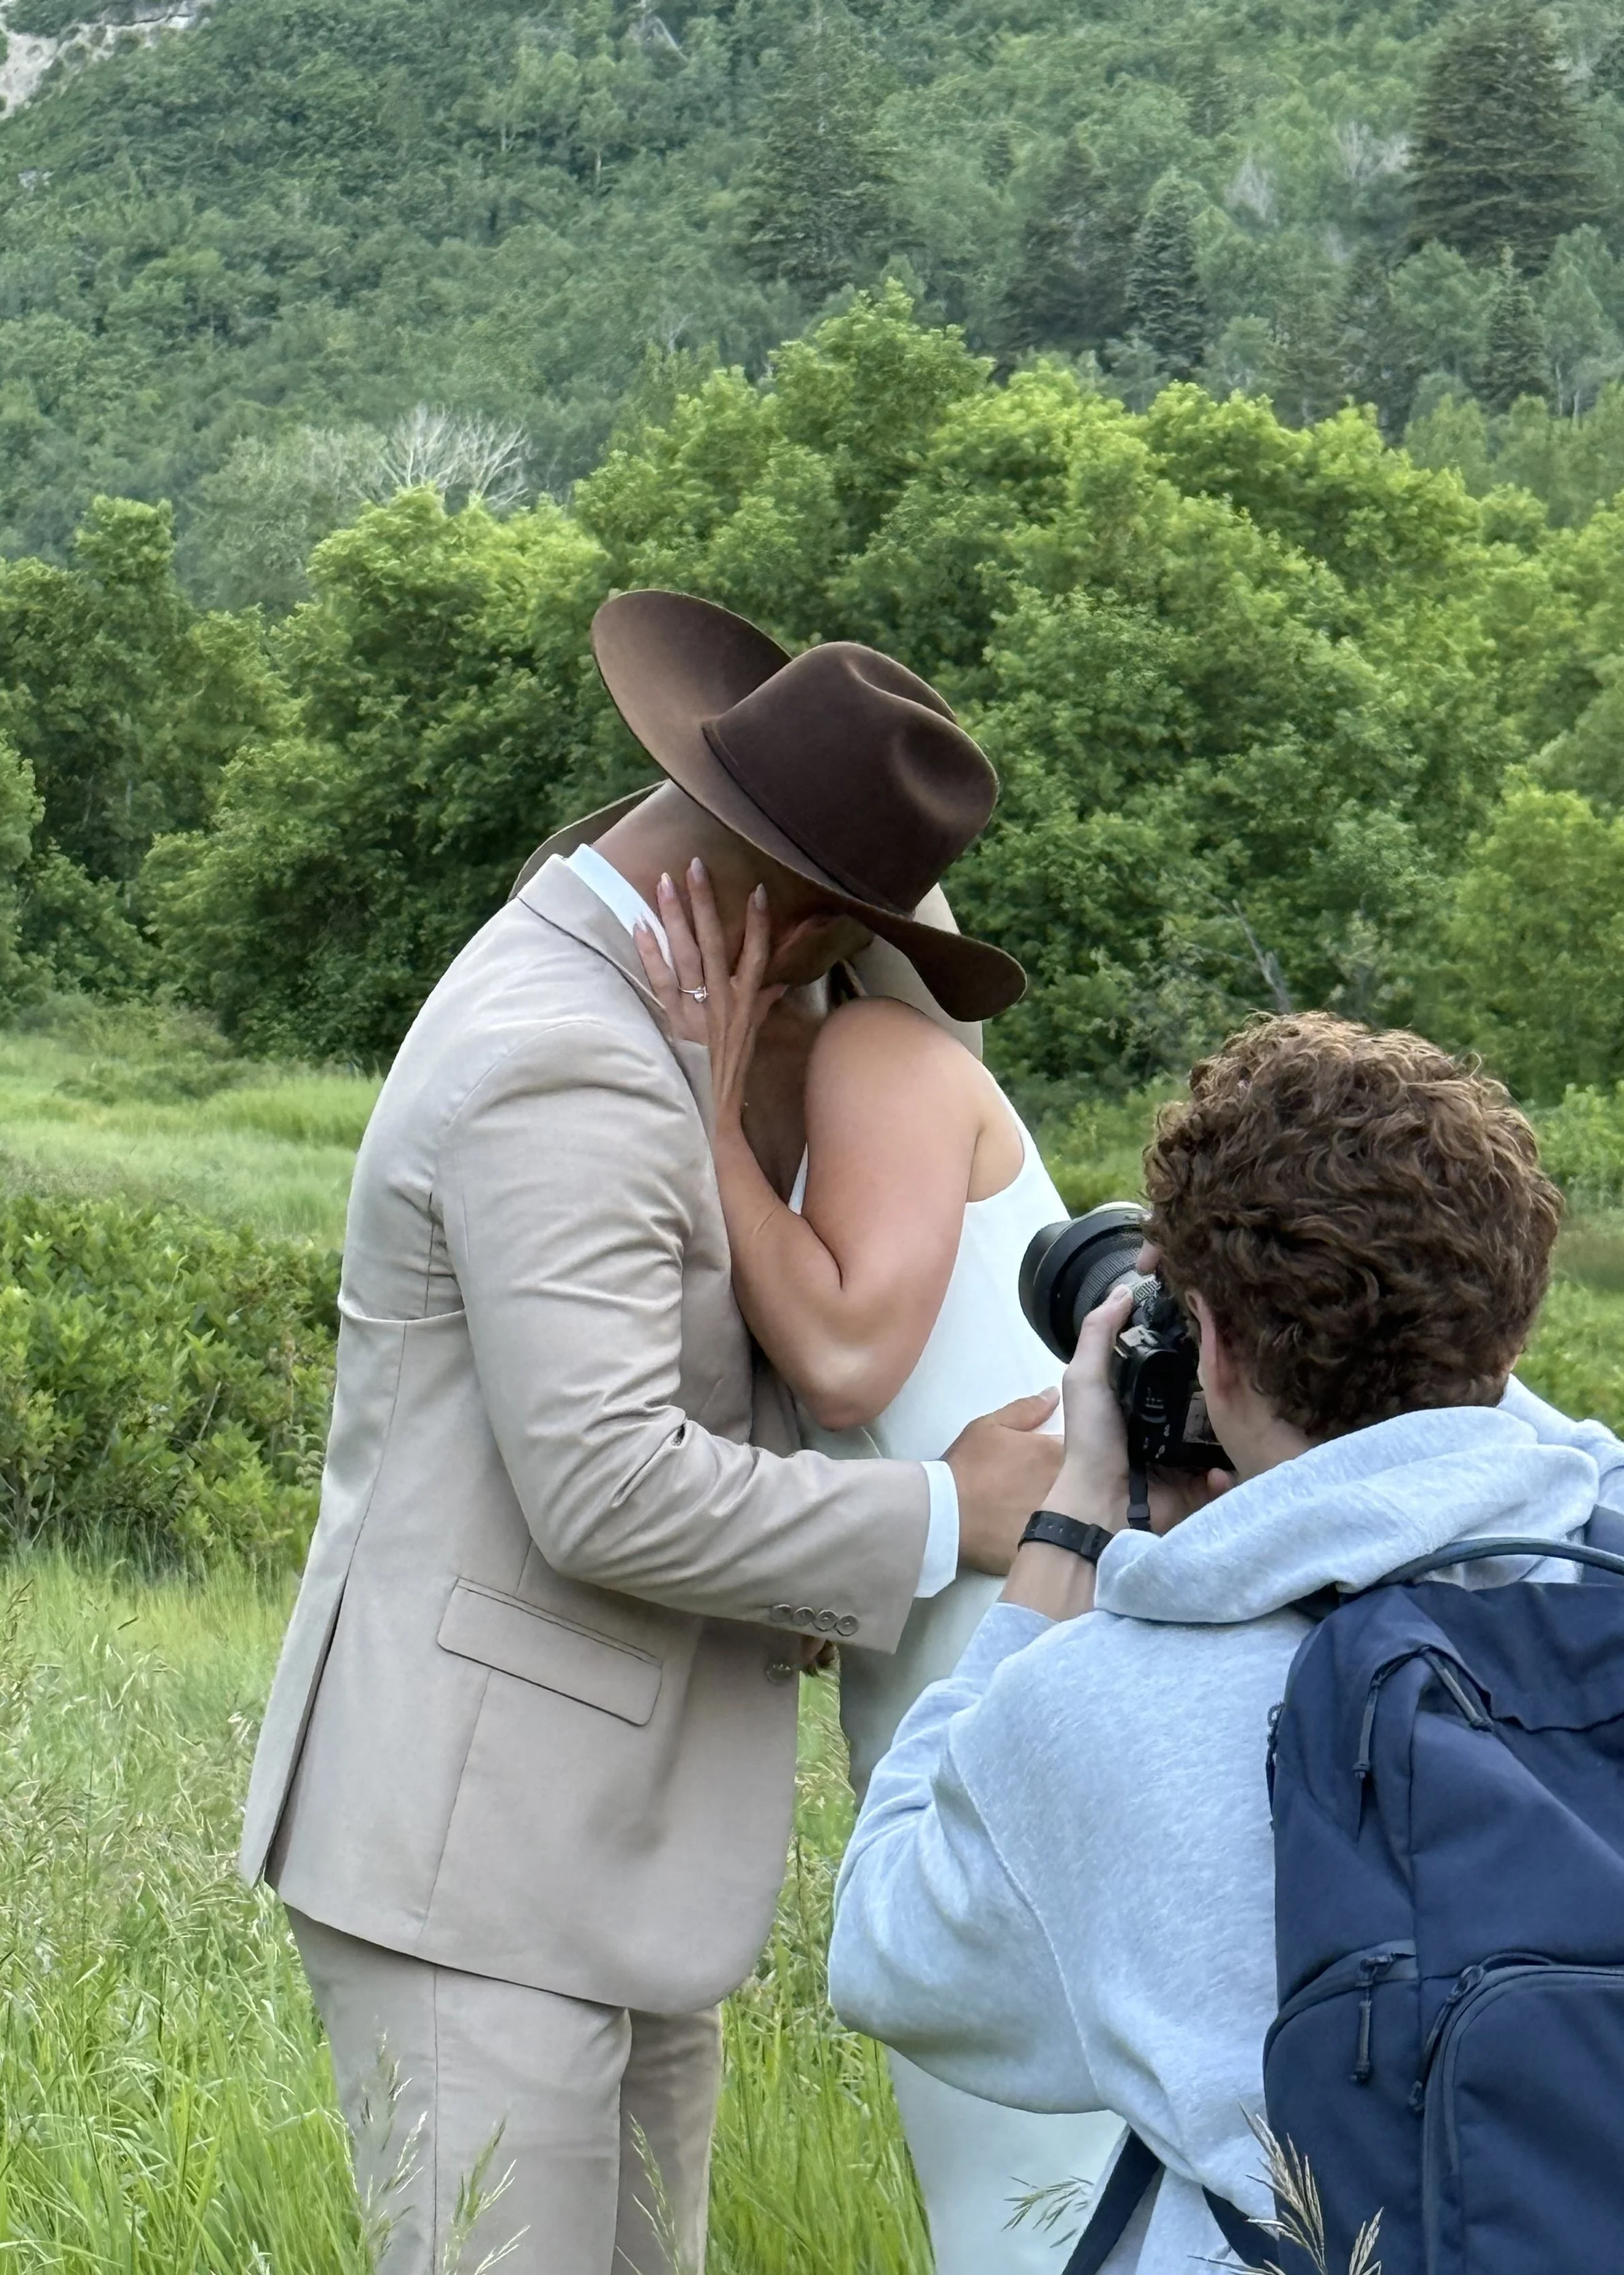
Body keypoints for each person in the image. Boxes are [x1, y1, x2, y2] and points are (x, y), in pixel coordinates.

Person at [237, 588, 1066, 2275]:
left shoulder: (633, 1030)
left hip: (591, 1855)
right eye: (854, 947)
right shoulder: (565, 1058)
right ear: (805, 921)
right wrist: (943, 1519)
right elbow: (604, 1488)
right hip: (484, 1863)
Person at [827, 1012, 1624, 2275]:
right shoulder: (1606, 1548)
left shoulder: (1105, 1709)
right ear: (1510, 1332)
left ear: (1218, 1350)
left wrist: (1069, 1527)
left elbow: (886, 1948)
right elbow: (1520, 1438)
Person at [636, 869, 1122, 2268]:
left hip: (1023, 1633)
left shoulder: (878, 1054)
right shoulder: (819, 1104)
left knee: (1034, 2185)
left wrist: (705, 1113)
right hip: (937, 1644)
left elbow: (853, 1352)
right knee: (1004, 2169)